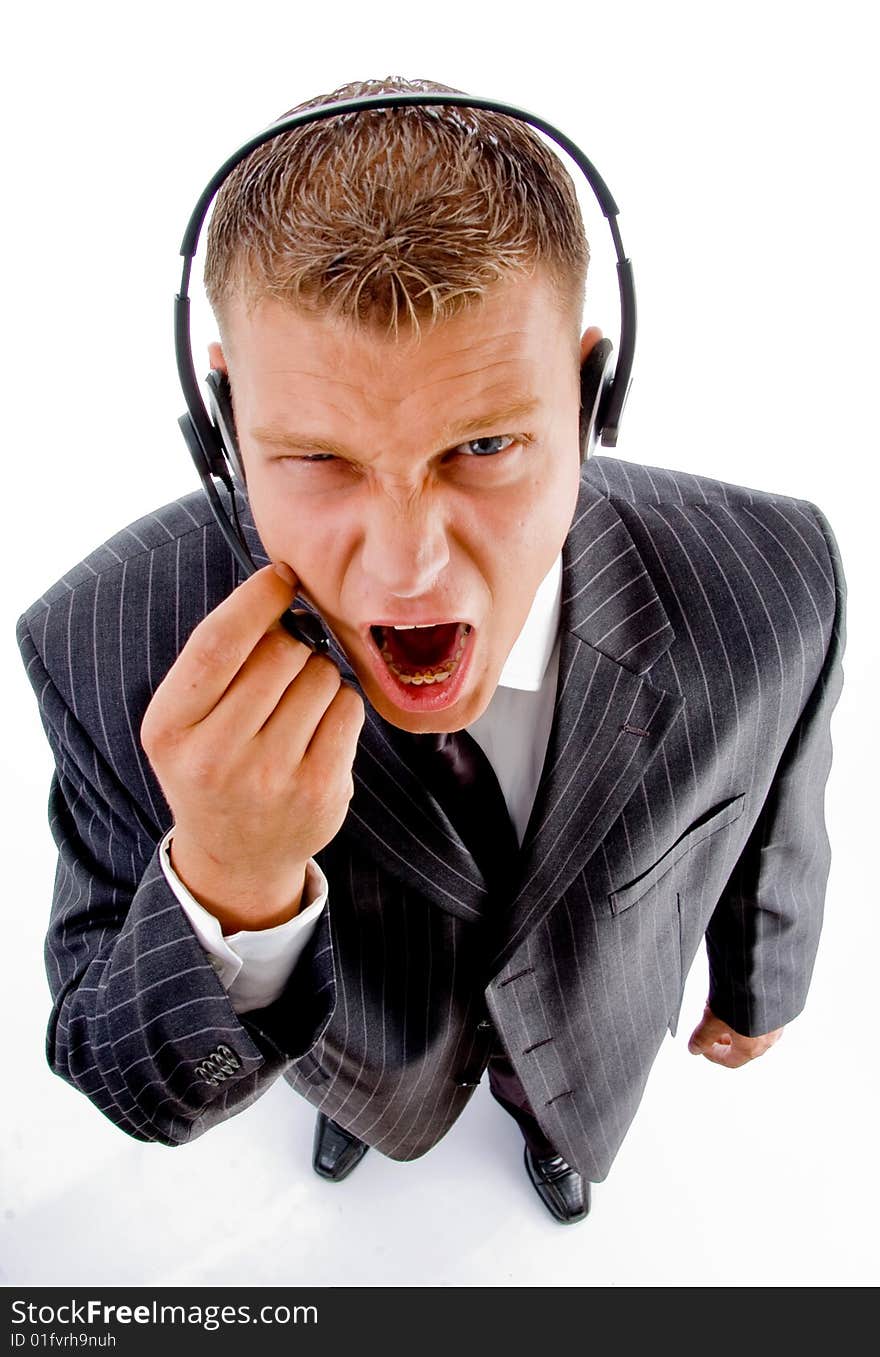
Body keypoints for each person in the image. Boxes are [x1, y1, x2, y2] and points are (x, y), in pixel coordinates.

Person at [15, 76, 847, 1227]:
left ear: (589, 391)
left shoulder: (776, 576)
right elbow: (126, 1080)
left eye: (487, 444)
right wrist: (232, 879)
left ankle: (546, 1139)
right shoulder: (100, 640)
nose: (407, 569)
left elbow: (773, 826)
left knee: (557, 1122)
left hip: (595, 1072)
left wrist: (763, 993)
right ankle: (362, 1118)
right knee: (367, 1105)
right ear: (222, 420)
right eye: (316, 459)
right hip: (358, 1067)